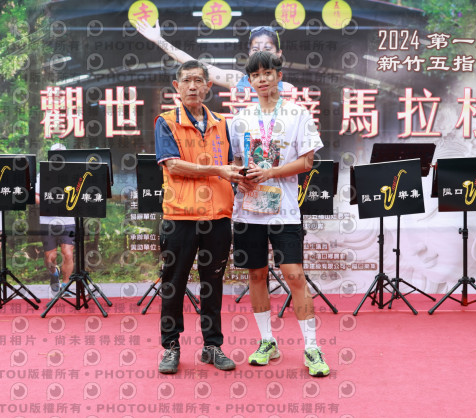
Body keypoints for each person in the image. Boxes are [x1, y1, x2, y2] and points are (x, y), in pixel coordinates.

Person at [230, 51, 330, 377]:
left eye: (267, 73)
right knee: (256, 275)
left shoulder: (298, 113)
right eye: (255, 75)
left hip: (284, 211)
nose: (262, 79)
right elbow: (233, 162)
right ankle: (267, 341)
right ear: (249, 81)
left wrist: (270, 172)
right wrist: (239, 176)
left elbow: (307, 162)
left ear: (278, 75)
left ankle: (312, 347)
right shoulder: (240, 119)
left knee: (294, 275)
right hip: (248, 212)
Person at [154, 59, 244, 374]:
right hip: (180, 217)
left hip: (217, 217)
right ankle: (171, 347)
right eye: (186, 80)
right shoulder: (166, 122)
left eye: (198, 80)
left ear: (208, 86)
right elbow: (173, 165)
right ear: (176, 87)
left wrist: (248, 176)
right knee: (173, 284)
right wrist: (219, 170)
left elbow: (234, 165)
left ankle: (212, 346)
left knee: (213, 284)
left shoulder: (223, 123)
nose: (192, 86)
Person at [135, 20, 293, 93]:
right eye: (255, 49)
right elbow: (191, 62)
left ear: (278, 53)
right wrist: (159, 40)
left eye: (267, 48)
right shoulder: (237, 80)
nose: (261, 53)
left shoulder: (287, 90)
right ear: (249, 53)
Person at [35, 143, 74, 295]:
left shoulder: (72, 174)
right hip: (48, 221)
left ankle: (65, 285)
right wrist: (50, 204)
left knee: (68, 253)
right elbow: (36, 196)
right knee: (50, 257)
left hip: (68, 221)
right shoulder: (42, 175)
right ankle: (54, 275)